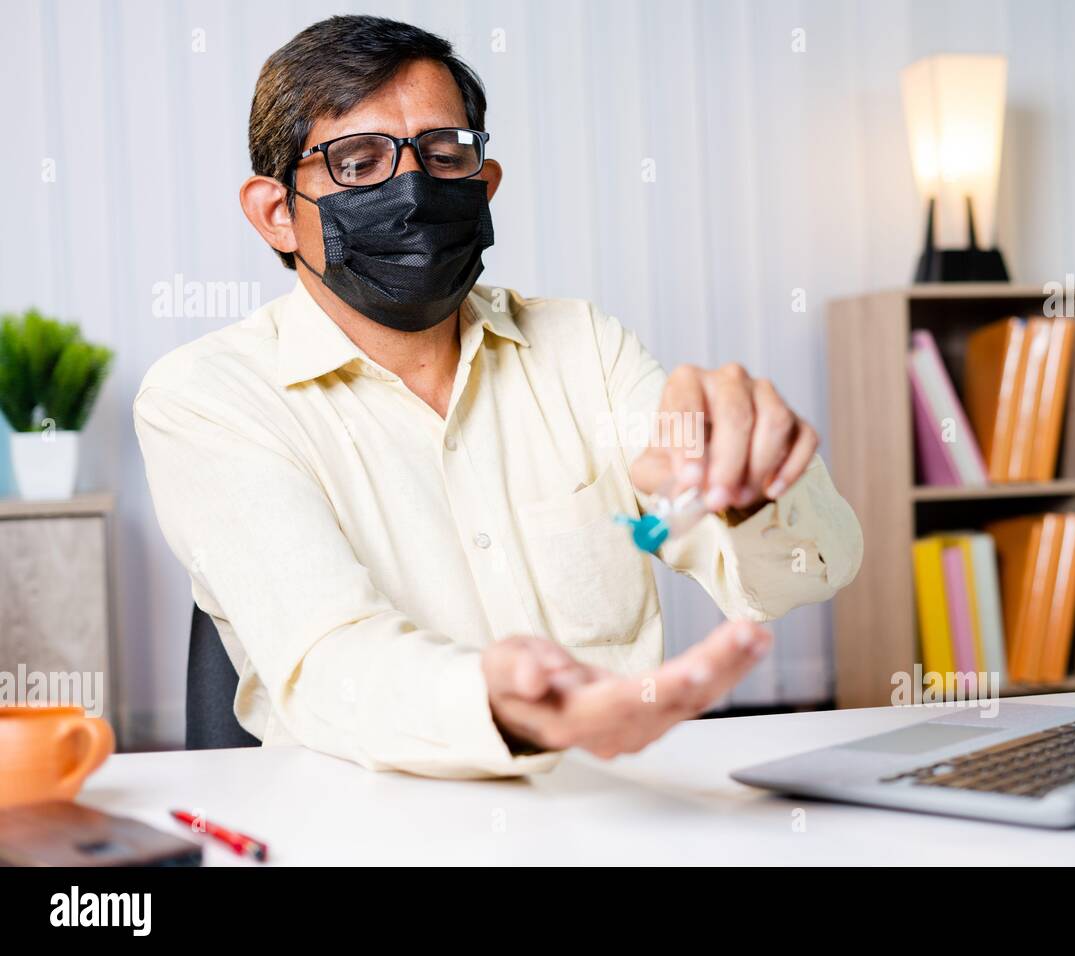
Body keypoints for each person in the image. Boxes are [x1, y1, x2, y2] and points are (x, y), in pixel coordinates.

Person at [135, 15, 862, 778]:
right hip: (359, 827)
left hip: (613, 808)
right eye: (357, 161)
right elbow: (329, 662)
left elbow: (803, 576)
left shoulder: (583, 348)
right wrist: (502, 709)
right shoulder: (208, 398)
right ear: (276, 213)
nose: (412, 189)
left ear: (484, 186)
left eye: (444, 154)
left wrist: (746, 483)